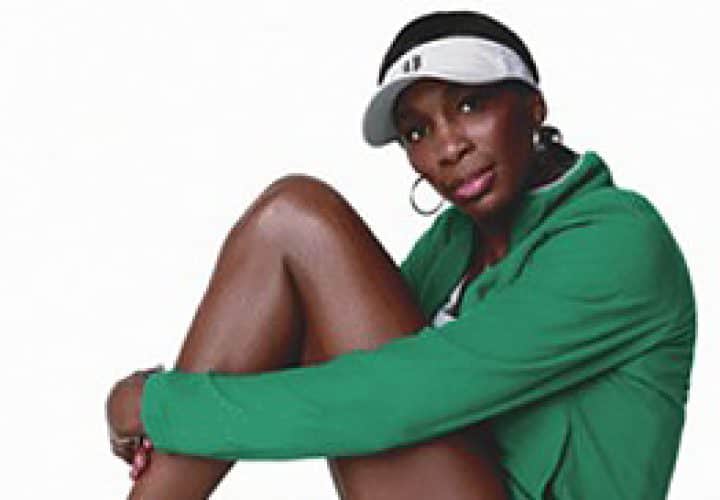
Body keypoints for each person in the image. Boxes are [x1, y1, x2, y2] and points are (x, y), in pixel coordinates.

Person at [105, 10, 696, 500]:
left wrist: (161, 408)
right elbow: (322, 362)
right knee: (285, 227)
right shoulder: (457, 240)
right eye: (417, 131)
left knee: (297, 219)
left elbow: (389, 401)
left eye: (470, 105)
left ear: (533, 107)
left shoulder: (617, 241)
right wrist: (172, 416)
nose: (447, 147)